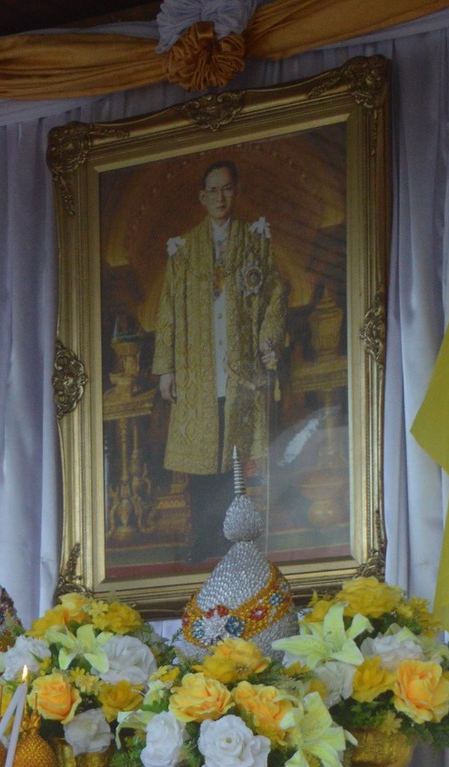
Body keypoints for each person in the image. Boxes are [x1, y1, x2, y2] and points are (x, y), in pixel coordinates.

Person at [152, 157, 288, 557]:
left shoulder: (255, 242)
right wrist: (167, 369)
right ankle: (206, 537)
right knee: (203, 454)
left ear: (237, 191)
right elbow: (168, 311)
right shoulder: (184, 250)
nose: (220, 197)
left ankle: (238, 540)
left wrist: (267, 341)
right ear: (201, 196)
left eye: (227, 188)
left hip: (240, 368)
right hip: (198, 370)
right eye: (212, 190)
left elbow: (274, 297)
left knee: (234, 453)